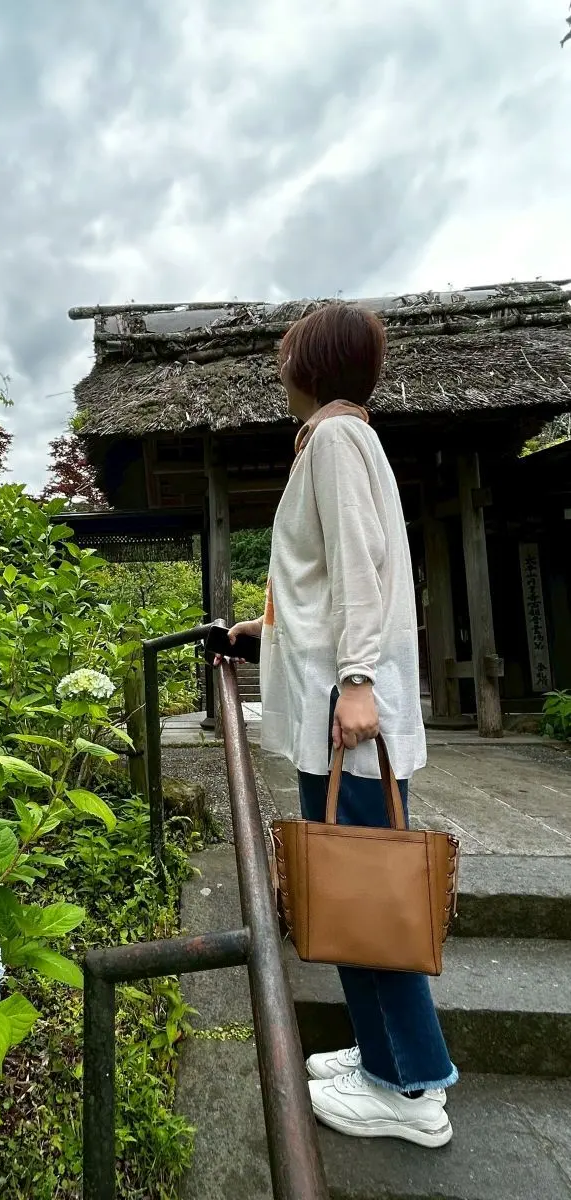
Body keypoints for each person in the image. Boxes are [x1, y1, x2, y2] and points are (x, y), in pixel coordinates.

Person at [220, 302, 457, 1148]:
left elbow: (358, 566)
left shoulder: (331, 440)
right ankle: (377, 1056)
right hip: (342, 709)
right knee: (349, 877)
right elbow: (328, 575)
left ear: (307, 367)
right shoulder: (345, 439)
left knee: (369, 889)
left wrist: (355, 679)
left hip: (349, 715)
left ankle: (412, 1086)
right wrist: (264, 629)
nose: (279, 370)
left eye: (284, 356)